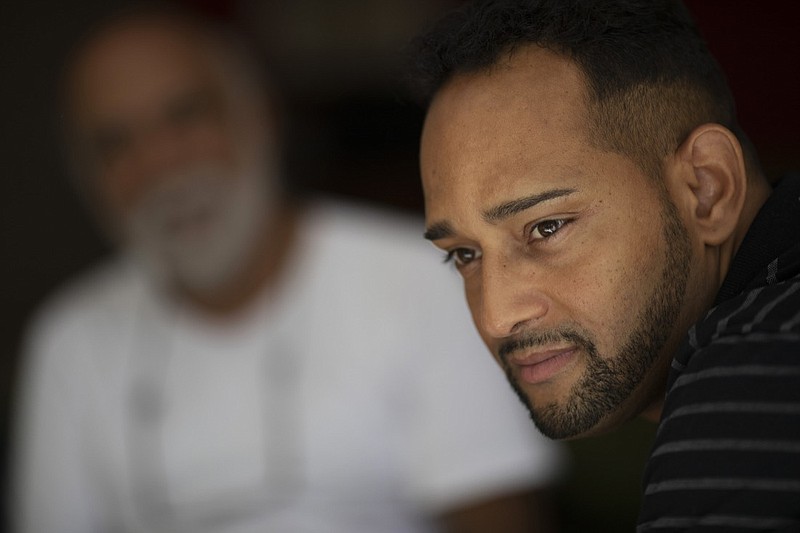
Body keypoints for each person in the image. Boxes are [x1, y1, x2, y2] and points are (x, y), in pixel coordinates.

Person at [10, 4, 564, 533]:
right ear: (87, 177)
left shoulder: (422, 281)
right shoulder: (71, 339)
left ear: (259, 116)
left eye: (185, 116)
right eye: (116, 144)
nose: (160, 165)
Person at [412, 0, 800, 530]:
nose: (496, 315)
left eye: (546, 227)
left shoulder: (759, 364)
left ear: (708, 188)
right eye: (465, 254)